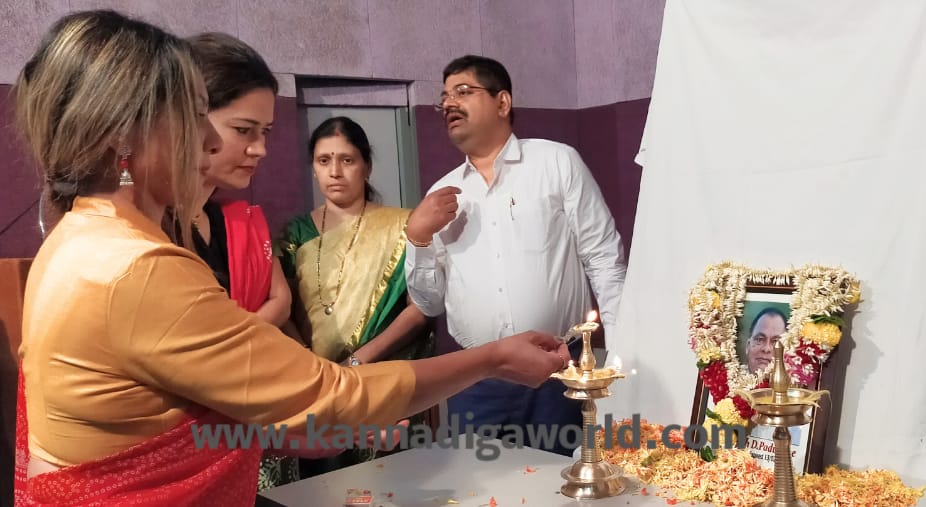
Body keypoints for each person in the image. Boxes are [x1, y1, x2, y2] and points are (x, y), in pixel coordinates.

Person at [13, 11, 569, 505]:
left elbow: (176, 409)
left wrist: (322, 419)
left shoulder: (78, 237)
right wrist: (491, 359)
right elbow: (327, 394)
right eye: (191, 119)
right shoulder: (136, 265)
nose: (208, 144)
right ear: (124, 138)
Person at [404, 55, 627, 456]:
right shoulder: (441, 194)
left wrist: (621, 351)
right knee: (480, 485)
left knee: (566, 480)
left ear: (502, 102)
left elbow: (604, 259)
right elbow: (428, 302)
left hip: (559, 370)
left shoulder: (556, 162)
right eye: (444, 98)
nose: (449, 103)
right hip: (477, 382)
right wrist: (417, 237)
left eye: (463, 92)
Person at [279, 116, 435, 476]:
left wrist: (357, 363)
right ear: (313, 167)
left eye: (347, 160)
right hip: (317, 386)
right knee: (321, 483)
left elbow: (419, 311)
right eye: (324, 160)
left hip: (379, 381)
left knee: (385, 483)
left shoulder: (404, 226)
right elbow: (281, 307)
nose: (334, 171)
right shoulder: (296, 232)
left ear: (366, 166)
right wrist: (309, 363)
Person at [187, 31, 296, 490]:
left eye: (264, 132)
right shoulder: (144, 232)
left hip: (245, 421)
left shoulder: (235, 218)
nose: (260, 149)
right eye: (243, 130)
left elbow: (281, 300)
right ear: (188, 120)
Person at [744, 308, 788, 374]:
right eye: (760, 339)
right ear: (747, 346)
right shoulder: (730, 378)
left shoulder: (797, 380)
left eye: (775, 342)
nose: (766, 349)